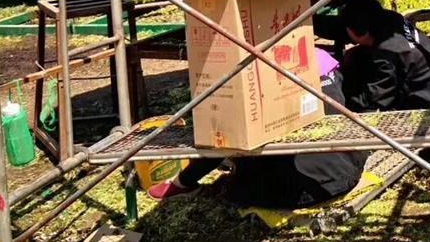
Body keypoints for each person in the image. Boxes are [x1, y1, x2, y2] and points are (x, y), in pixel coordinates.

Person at [149, 49, 368, 205]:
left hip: (302, 191)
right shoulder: (320, 58)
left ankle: (186, 184)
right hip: (346, 170)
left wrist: (183, 180)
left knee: (235, 170)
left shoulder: (254, 81)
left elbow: (223, 142)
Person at [338, 0, 430, 112]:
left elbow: (377, 98)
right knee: (358, 54)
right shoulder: (392, 19)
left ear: (358, 32)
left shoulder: (386, 54)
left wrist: (343, 100)